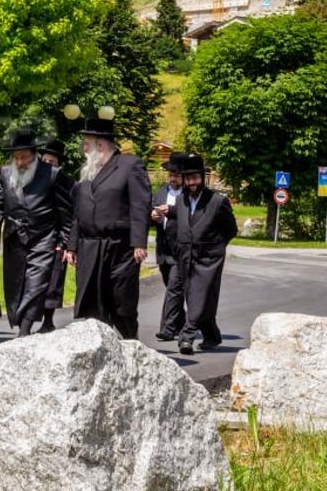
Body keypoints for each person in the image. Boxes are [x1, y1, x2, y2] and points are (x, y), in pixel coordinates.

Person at [63, 115, 152, 340]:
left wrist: (139, 242)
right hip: (90, 247)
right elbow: (78, 212)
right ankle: (100, 349)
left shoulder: (130, 165)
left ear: (100, 145)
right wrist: (71, 245)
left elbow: (140, 205)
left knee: (121, 302)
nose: (83, 148)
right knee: (93, 303)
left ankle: (131, 345)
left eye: (87, 144)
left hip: (119, 248)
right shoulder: (88, 171)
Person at [0, 128, 70, 336]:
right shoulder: (4, 173)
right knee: (15, 284)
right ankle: (20, 323)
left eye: (24, 157)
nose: (21, 162)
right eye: (16, 158)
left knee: (36, 283)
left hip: (43, 236)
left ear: (34, 154)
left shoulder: (52, 174)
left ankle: (25, 329)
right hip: (14, 236)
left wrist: (65, 241)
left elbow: (65, 213)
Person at [169, 153, 238, 355]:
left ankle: (186, 338)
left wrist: (215, 246)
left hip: (209, 259)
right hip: (186, 257)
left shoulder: (217, 202)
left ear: (203, 177)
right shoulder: (181, 200)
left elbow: (231, 229)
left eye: (195, 178)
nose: (192, 183)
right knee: (195, 297)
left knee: (199, 296)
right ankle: (212, 336)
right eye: (188, 179)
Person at [36, 137, 75, 333]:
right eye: (45, 161)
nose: (47, 165)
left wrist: (64, 241)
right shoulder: (33, 180)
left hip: (56, 239)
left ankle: (48, 320)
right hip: (36, 239)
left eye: (52, 162)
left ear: (58, 164)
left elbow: (67, 214)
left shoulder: (64, 182)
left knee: (53, 281)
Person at [150, 152, 186, 341]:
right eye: (170, 175)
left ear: (183, 177)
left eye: (176, 175)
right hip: (163, 249)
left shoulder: (188, 196)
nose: (172, 178)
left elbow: (190, 216)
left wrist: (170, 211)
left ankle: (168, 329)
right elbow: (151, 210)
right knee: (171, 288)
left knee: (174, 288)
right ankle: (184, 323)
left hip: (181, 251)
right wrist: (153, 216)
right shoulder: (161, 192)